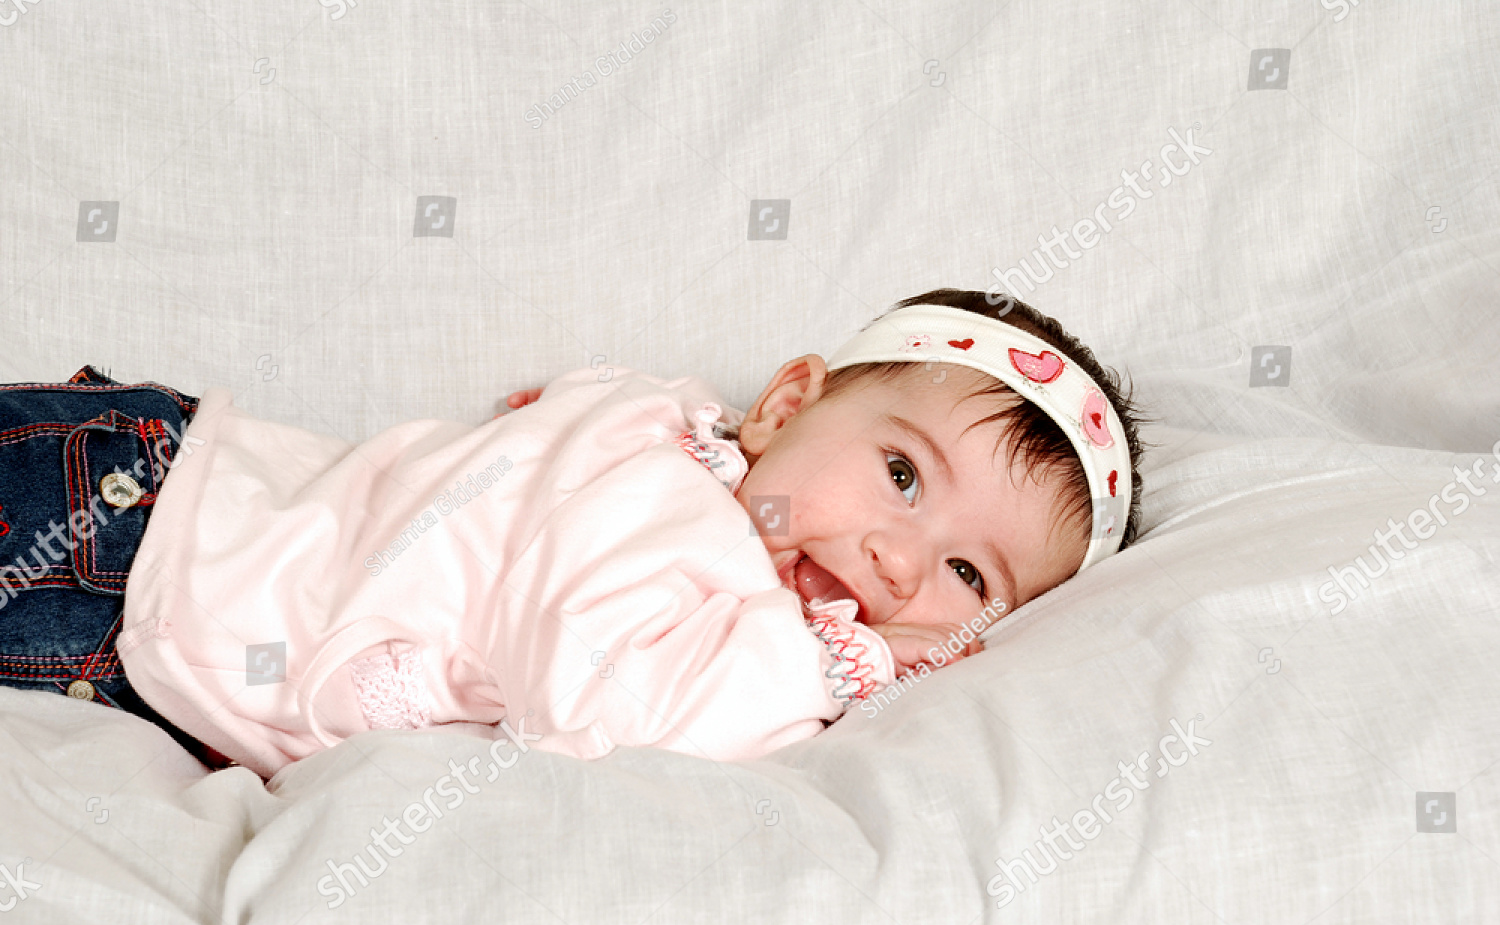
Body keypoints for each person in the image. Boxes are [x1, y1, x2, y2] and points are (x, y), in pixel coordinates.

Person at [0, 288, 1147, 777]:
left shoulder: (660, 431)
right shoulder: (691, 522)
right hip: (126, 552)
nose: (900, 559)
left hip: (144, 491)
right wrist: (836, 659)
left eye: (965, 570)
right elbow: (602, 715)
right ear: (786, 406)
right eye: (901, 472)